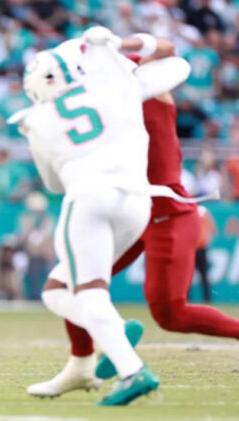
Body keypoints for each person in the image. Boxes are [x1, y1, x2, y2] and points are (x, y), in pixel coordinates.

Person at [26, 34, 239, 401]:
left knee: (170, 314)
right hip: (125, 205)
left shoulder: (134, 81)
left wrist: (122, 43)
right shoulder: (94, 93)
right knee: (72, 280)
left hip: (162, 211)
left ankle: (110, 350)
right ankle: (80, 364)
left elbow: (172, 53)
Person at [193, 205, 216, 303]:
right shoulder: (204, 212)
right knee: (204, 276)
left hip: (192, 248)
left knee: (187, 276)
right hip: (201, 247)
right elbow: (213, 230)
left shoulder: (190, 211)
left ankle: (185, 300)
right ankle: (207, 299)